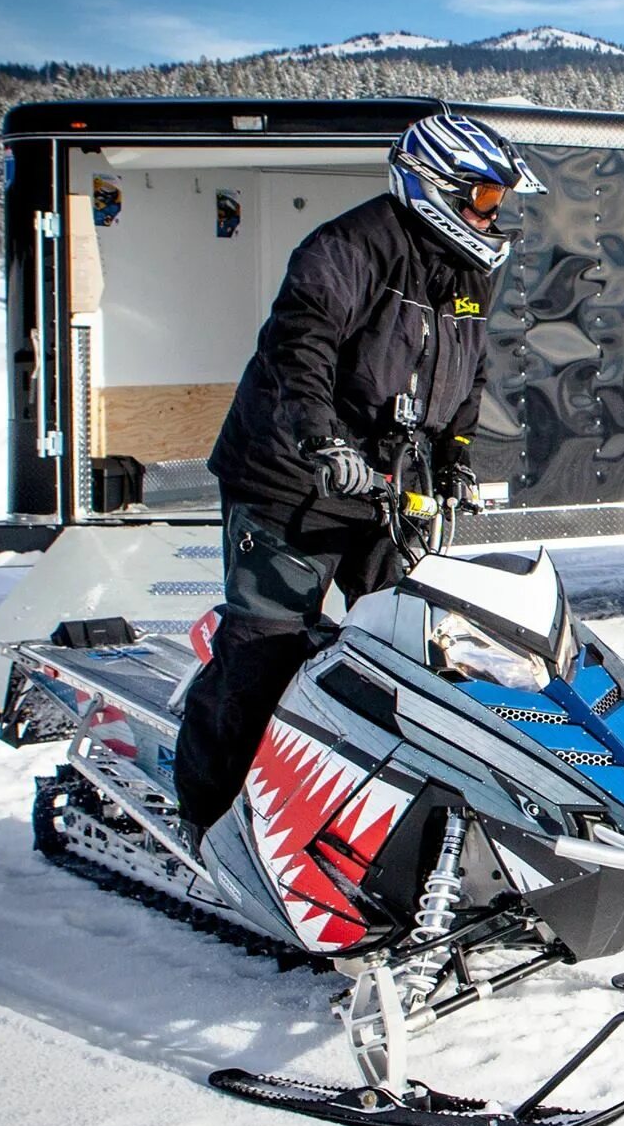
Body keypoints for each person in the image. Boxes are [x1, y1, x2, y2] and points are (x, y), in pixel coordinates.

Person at [170, 111, 544, 829]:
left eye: (501, 203)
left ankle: (383, 814)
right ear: (437, 187)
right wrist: (322, 441)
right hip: (288, 480)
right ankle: (209, 817)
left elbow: (465, 375)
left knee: (410, 645)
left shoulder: (467, 273)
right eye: (487, 200)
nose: (496, 217)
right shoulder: (346, 249)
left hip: (382, 491)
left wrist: (456, 455)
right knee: (267, 646)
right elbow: (297, 349)